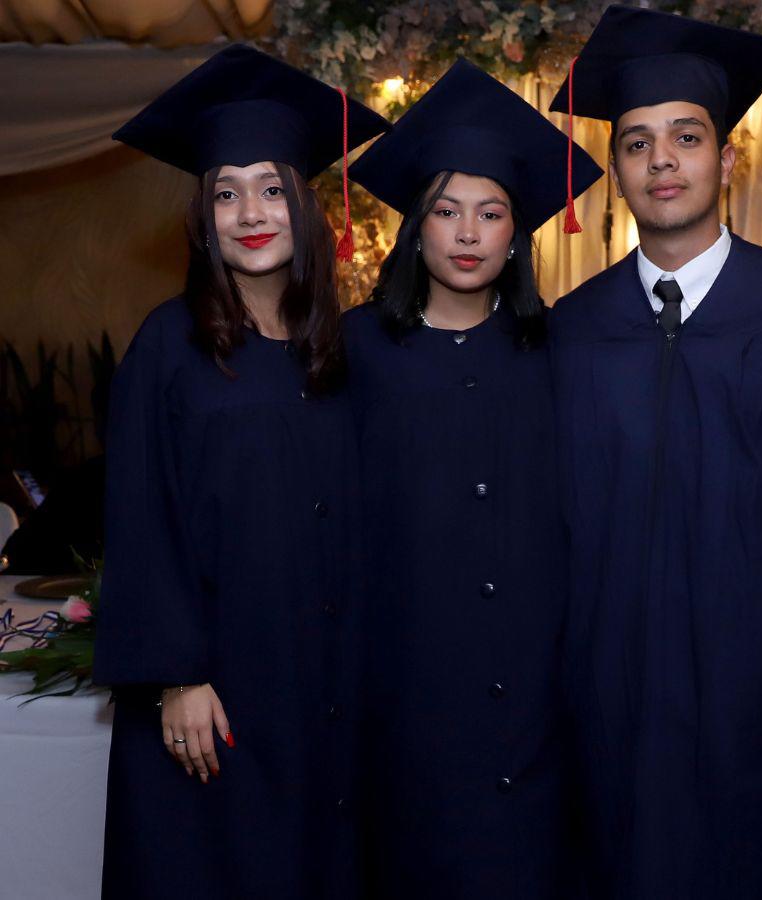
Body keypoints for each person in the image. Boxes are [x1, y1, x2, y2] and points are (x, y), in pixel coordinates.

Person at [545, 7, 762, 897]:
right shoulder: (569, 333)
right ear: (613, 172)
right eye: (638, 143)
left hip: (749, 684)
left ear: (728, 161)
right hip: (601, 691)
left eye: (687, 138)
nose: (662, 161)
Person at [91, 44, 387, 900]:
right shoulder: (168, 348)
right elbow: (140, 517)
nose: (249, 213)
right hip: (213, 691)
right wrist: (177, 675)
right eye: (226, 192)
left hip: (322, 683)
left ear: (304, 205)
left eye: (270, 189)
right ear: (202, 215)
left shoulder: (337, 351)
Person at [343, 59, 602, 899]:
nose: (466, 233)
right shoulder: (353, 352)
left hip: (536, 699)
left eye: (489, 214)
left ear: (516, 231)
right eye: (445, 211)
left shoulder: (561, 353)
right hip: (400, 689)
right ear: (415, 227)